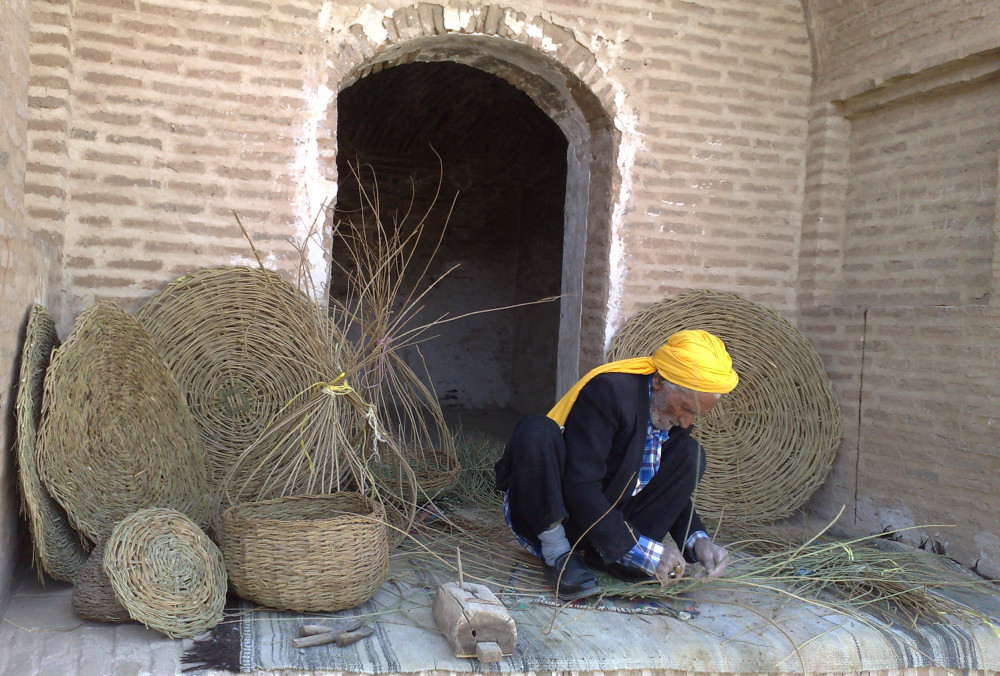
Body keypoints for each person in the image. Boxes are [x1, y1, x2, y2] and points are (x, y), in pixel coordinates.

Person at [494, 329, 737, 601]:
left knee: (690, 455)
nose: (686, 423)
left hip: (610, 523)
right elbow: (579, 486)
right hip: (563, 513)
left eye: (696, 415)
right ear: (658, 380)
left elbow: (661, 482)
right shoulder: (610, 392)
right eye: (686, 409)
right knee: (536, 431)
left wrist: (698, 539)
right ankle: (558, 556)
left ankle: (616, 556)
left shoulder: (672, 414)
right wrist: (640, 548)